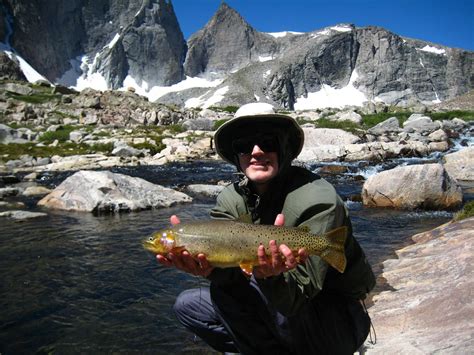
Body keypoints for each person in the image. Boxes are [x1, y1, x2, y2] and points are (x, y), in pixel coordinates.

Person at [157, 103, 376, 354]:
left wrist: (269, 276)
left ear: (284, 147)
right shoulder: (231, 199)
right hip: (277, 304)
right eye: (244, 145)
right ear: (236, 155)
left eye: (267, 142)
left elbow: (300, 296)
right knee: (190, 305)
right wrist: (208, 269)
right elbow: (231, 278)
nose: (256, 151)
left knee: (258, 297)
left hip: (332, 319)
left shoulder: (317, 198)